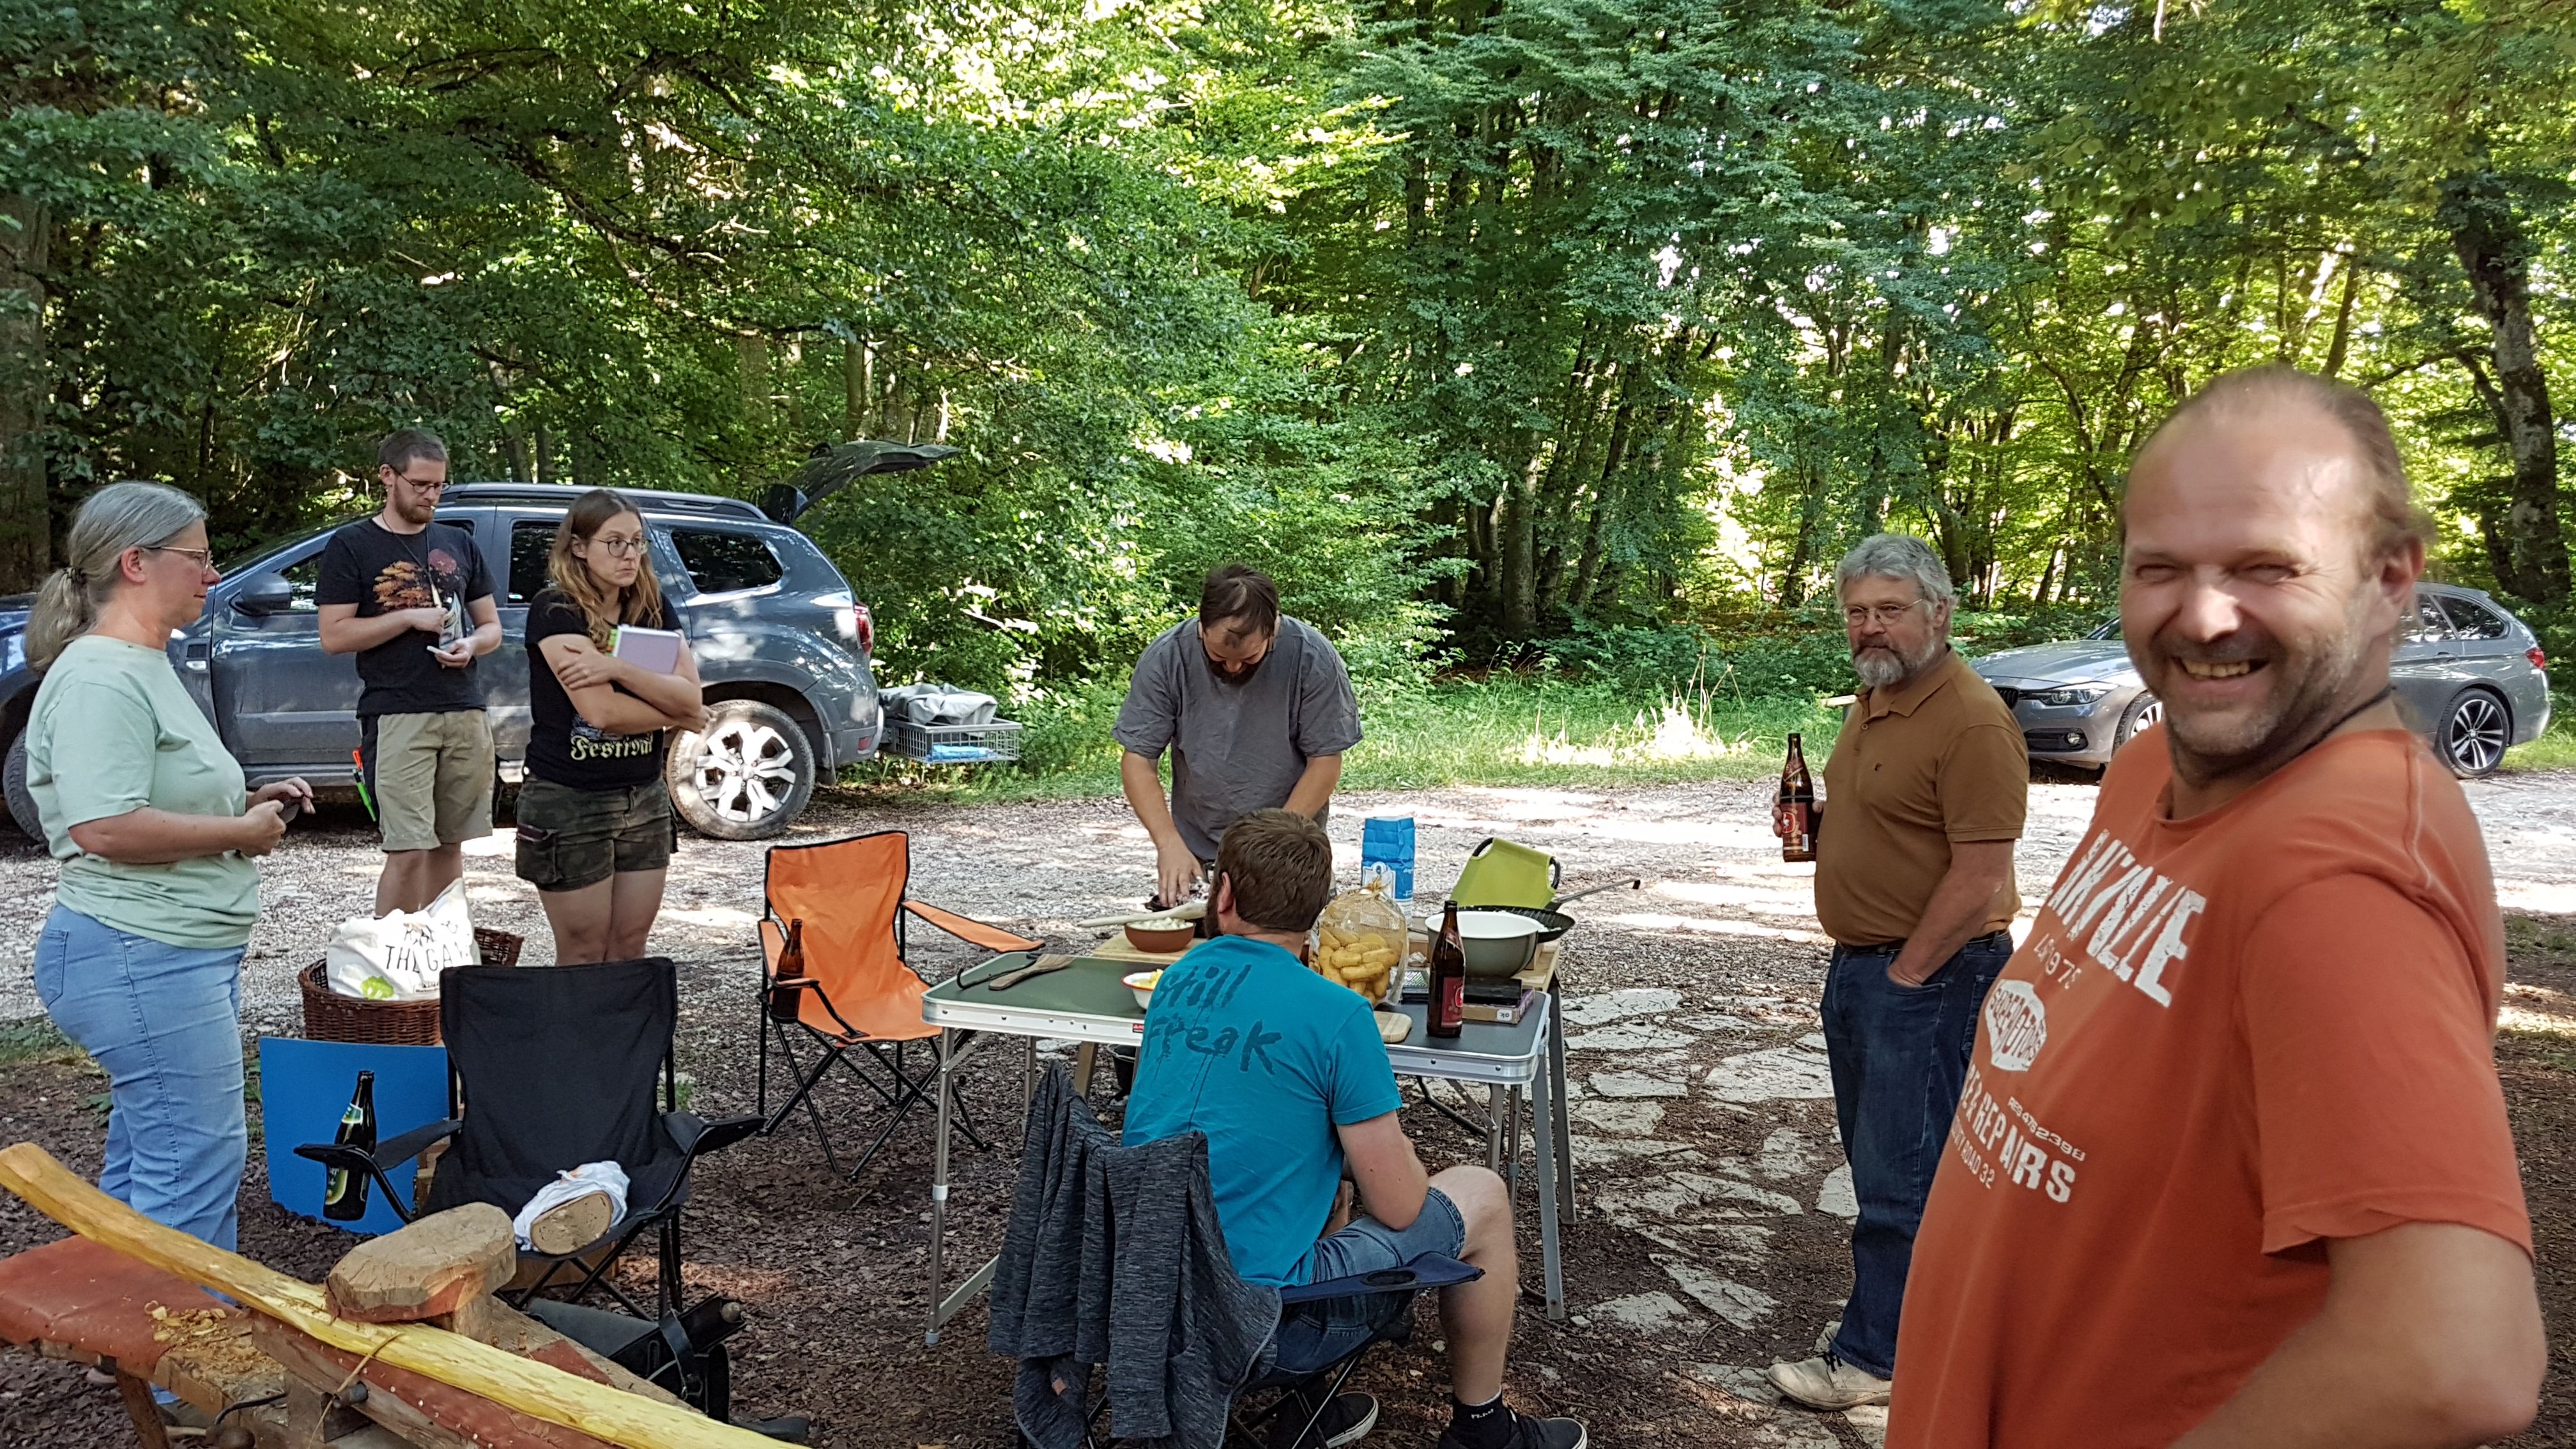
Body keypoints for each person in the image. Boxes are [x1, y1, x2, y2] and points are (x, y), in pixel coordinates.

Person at [1890, 367, 2543, 1447]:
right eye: (2159, 567)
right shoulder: (2151, 767)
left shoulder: (2338, 866)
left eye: (2265, 567)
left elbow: (2456, 1358)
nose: (2200, 615)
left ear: (2389, 579)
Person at [1123, 809, 1585, 1449]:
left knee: (1321, 1181)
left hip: (1142, 1291)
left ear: (1223, 894)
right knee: (1482, 1193)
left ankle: (1309, 1408)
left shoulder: (1176, 982)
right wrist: (1399, 1153)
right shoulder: (1338, 1013)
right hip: (1258, 1323)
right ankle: (1485, 1429)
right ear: (1317, 915)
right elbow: (1399, 1207)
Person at [1766, 533, 2027, 1411]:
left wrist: (1909, 977)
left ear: (1939, 613)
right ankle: (1900, 1323)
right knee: (1882, 1165)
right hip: (1864, 968)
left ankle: (1877, 1359)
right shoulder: (1877, 700)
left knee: (1901, 1182)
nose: (1870, 627)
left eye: (1889, 610)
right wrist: (1819, 828)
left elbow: (1982, 874)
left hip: (1931, 977)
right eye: (1857, 612)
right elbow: (1894, 818)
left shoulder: (1973, 720)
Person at [23, 482, 313, 1253]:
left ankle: (122, 1317)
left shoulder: (143, 664)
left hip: (162, 953)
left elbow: (145, 794)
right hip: (139, 954)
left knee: (155, 1157)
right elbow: (104, 826)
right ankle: (182, 1332)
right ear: (135, 563)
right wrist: (238, 833)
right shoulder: (101, 677)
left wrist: (246, 802)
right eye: (199, 557)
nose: (213, 576)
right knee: (192, 1165)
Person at [318, 429, 502, 914]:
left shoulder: (458, 542)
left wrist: (471, 645)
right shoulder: (352, 544)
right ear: (388, 476)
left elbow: (492, 629)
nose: (431, 496)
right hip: (397, 711)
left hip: (464, 708)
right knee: (409, 850)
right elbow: (334, 636)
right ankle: (390, 951)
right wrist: (407, 619)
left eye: (439, 485)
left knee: (449, 846)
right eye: (420, 484)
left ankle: (441, 949)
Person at [517, 489, 705, 963]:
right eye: (615, 542)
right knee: (583, 951)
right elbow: (602, 713)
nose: (629, 554)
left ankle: (625, 1020)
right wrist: (677, 712)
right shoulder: (557, 610)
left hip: (643, 797)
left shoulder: (650, 606)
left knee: (629, 946)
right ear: (579, 547)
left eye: (637, 542)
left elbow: (692, 695)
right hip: (570, 799)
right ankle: (576, 1019)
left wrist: (618, 668)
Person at [1114, 565, 1362, 910]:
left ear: (1273, 630)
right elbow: (1139, 760)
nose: (1232, 668)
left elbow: (1325, 762)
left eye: (1249, 658)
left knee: (1290, 940)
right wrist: (1168, 844)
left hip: (1288, 849)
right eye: (1218, 656)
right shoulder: (1168, 657)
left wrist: (1273, 845)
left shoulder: (1313, 657)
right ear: (1201, 627)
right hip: (1198, 854)